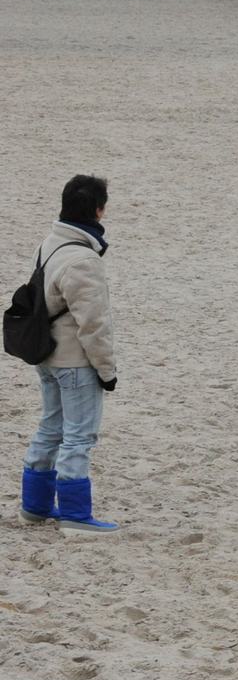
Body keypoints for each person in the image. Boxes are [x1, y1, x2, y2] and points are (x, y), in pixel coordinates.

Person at [19, 175, 120, 532]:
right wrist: (107, 371)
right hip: (75, 361)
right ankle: (76, 516)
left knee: (51, 428)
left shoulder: (49, 244)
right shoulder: (84, 259)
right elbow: (93, 325)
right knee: (79, 436)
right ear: (98, 210)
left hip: (46, 355)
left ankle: (34, 506)